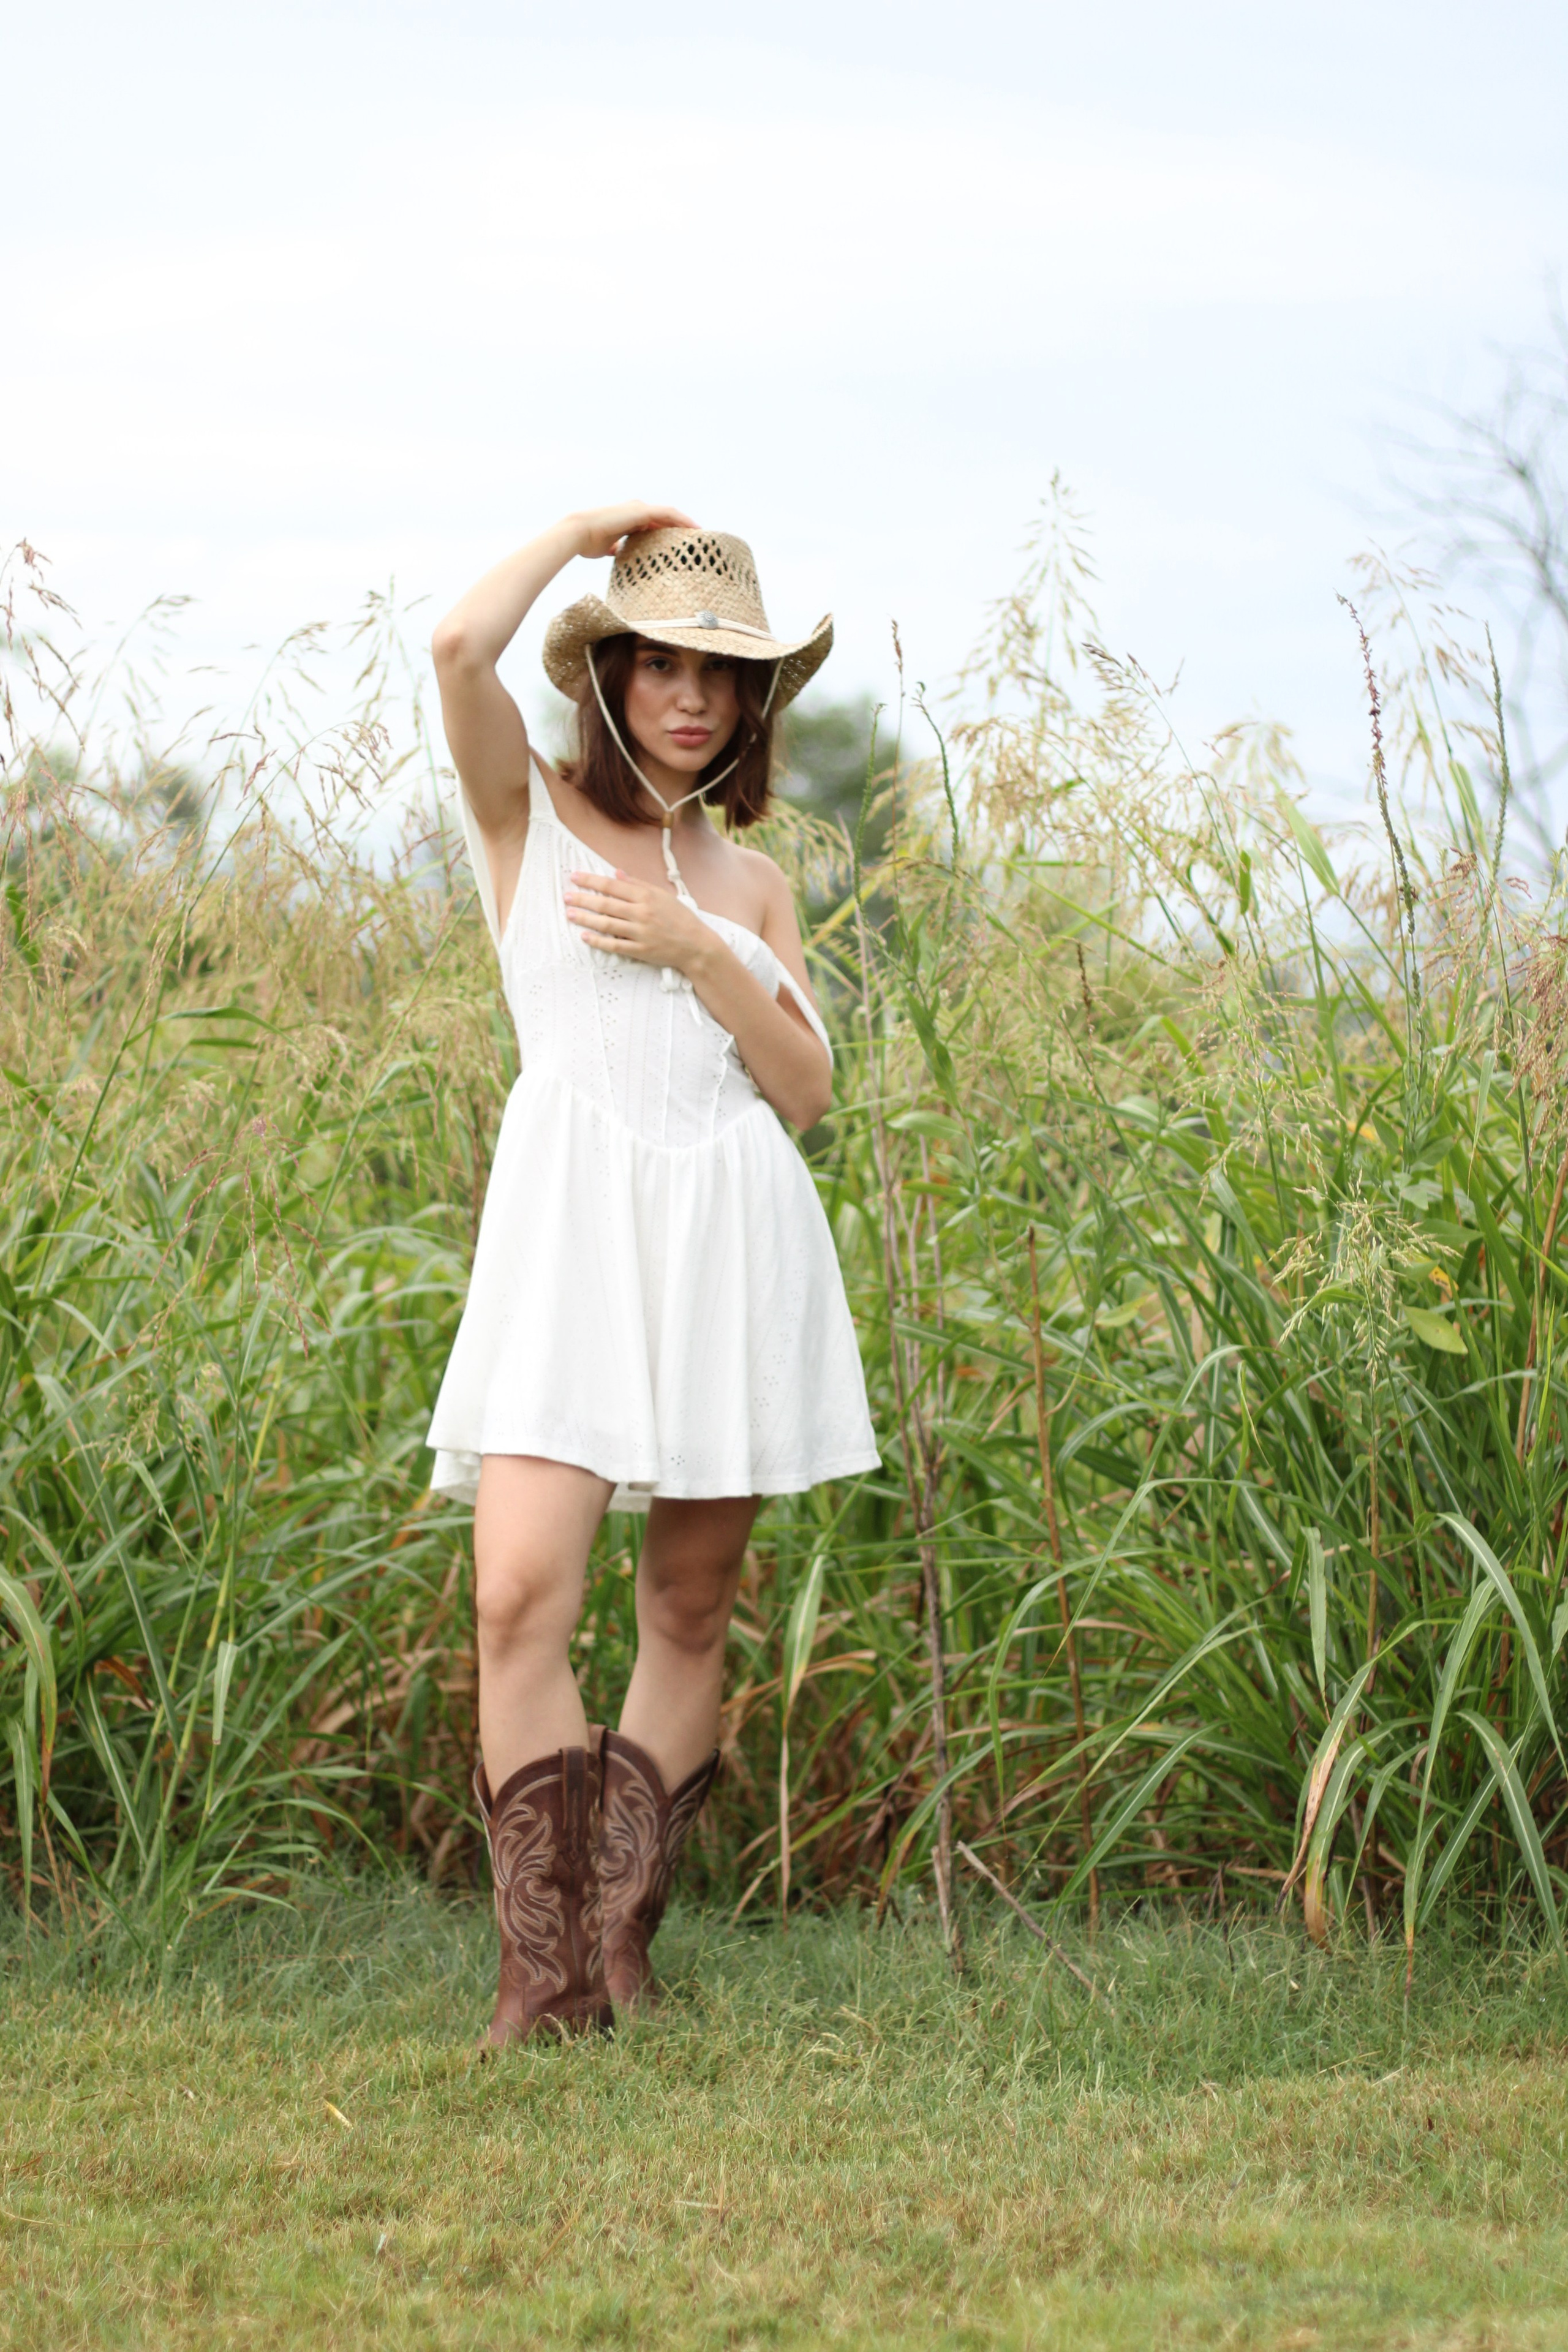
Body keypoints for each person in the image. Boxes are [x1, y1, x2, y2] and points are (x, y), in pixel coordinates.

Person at [425, 503, 879, 2043]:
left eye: (722, 675)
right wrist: (572, 535)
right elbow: (451, 645)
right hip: (570, 1235)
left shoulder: (748, 890)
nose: (692, 698)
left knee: (687, 1605)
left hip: (725, 1236)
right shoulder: (527, 813)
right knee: (515, 1597)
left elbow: (806, 1091)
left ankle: (616, 1951)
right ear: (611, 676)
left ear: (753, 704)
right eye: (662, 665)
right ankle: (537, 1977)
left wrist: (696, 949)